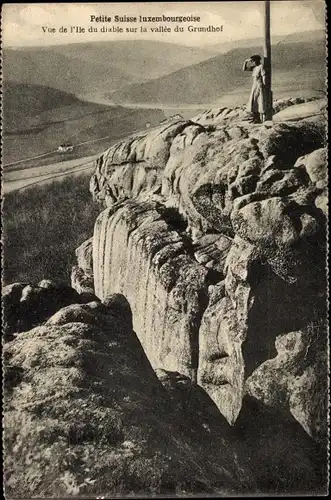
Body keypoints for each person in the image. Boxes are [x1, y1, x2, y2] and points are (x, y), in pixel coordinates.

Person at [243, 55, 267, 123]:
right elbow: (244, 69)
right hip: (254, 86)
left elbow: (264, 76)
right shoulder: (254, 67)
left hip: (259, 86)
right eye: (252, 61)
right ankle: (254, 118)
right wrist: (246, 61)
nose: (253, 62)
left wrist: (264, 86)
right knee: (253, 102)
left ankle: (258, 119)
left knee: (258, 102)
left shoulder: (261, 66)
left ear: (257, 60)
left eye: (253, 61)